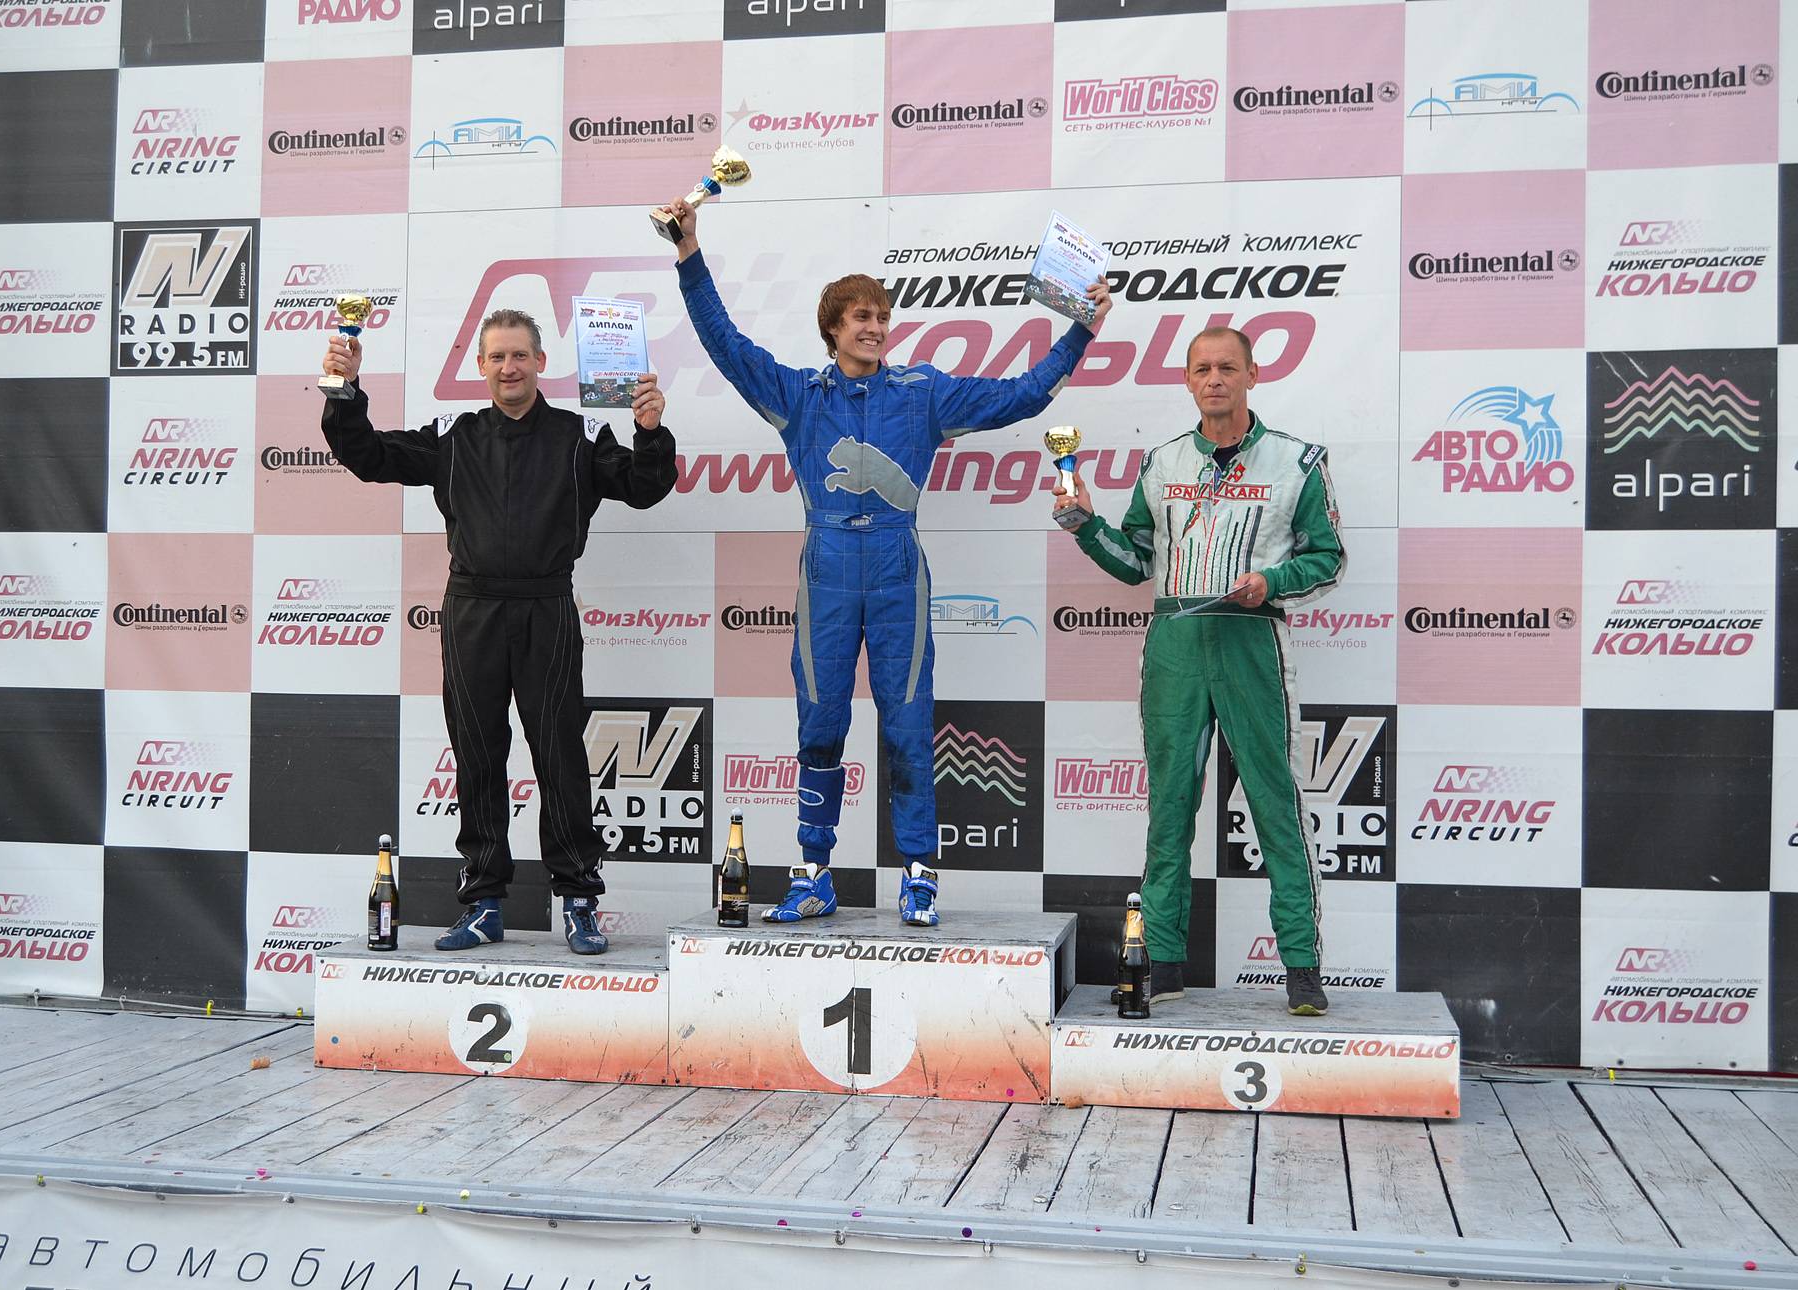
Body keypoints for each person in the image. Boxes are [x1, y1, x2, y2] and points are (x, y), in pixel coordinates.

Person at [661, 194, 1111, 926]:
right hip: (828, 565)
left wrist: (1081, 329)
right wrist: (688, 254)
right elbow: (725, 343)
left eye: (881, 316)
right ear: (832, 330)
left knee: (907, 724)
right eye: (860, 317)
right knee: (820, 723)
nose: (874, 327)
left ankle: (920, 876)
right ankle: (813, 874)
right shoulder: (799, 396)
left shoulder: (922, 392)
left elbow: (1025, 397)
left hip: (898, 563)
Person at [318, 310, 678, 955]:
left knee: (560, 756)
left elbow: (644, 487)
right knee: (478, 756)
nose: (509, 368)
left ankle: (579, 901)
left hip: (548, 609)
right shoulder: (453, 435)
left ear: (540, 362)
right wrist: (344, 391)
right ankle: (484, 902)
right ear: (480, 366)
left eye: (519, 355)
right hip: (472, 612)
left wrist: (650, 432)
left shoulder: (580, 435)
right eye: (496, 357)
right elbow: (368, 456)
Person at [1052, 326, 1345, 1016]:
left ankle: (1302, 969)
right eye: (1202, 369)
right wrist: (1086, 525)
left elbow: (1328, 559)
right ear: (1187, 380)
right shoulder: (1161, 462)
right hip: (1175, 642)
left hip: (1251, 639)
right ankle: (1163, 961)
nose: (1214, 379)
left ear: (1252, 375)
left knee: (1276, 805)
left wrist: (1271, 582)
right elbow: (1135, 563)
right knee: (1169, 809)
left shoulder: (1297, 460)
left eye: (1227, 368)